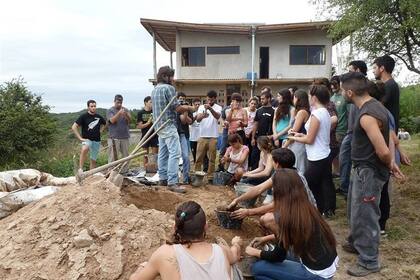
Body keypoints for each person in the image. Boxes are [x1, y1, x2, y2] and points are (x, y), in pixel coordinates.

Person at [339, 71, 400, 277]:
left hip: (369, 172)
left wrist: (390, 163)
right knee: (356, 212)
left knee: (366, 216)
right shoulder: (376, 106)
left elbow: (382, 150)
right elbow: (391, 136)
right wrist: (391, 161)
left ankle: (369, 261)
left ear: (349, 92)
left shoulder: (366, 115)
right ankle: (358, 244)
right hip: (363, 170)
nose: (340, 94)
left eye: (341, 91)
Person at [246, 169, 339, 280]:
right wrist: (265, 238)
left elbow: (278, 256)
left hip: (317, 273)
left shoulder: (285, 216)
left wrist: (254, 252)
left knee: (257, 269)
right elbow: (292, 238)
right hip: (326, 263)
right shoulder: (305, 206)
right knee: (267, 256)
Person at [129, 201, 242, 280]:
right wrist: (236, 244)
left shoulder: (164, 253)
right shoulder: (221, 250)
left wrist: (142, 268)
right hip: (226, 252)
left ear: (175, 228)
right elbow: (235, 256)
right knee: (232, 267)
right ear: (205, 227)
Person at [228, 148, 316, 232]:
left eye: (272, 161)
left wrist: (248, 212)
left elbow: (276, 205)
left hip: (305, 218)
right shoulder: (288, 172)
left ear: (277, 164)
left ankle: (286, 242)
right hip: (299, 212)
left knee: (265, 219)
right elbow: (258, 189)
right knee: (267, 214)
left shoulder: (286, 179)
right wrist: (238, 199)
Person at [288, 85, 335, 218]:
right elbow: (314, 136)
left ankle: (303, 213)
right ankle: (319, 212)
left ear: (314, 98)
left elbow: (310, 139)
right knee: (317, 187)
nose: (308, 98)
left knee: (305, 184)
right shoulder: (325, 112)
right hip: (323, 154)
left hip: (318, 157)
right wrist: (299, 135)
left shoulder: (316, 113)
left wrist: (292, 137)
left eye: (309, 96)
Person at [152, 66, 194, 193]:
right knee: (175, 153)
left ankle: (163, 178)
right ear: (166, 76)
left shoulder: (154, 90)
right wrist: (189, 108)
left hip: (159, 126)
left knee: (163, 153)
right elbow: (177, 108)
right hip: (169, 124)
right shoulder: (168, 88)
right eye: (171, 76)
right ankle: (172, 181)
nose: (173, 79)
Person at [338, 60, 368, 196]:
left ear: (357, 71)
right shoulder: (351, 91)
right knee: (344, 158)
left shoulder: (366, 88)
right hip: (350, 131)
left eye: (350, 70)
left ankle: (355, 189)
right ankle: (345, 187)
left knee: (357, 162)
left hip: (359, 131)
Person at [195, 90, 222, 182]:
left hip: (213, 137)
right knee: (199, 158)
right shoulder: (201, 107)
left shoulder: (218, 107)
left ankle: (210, 177)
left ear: (215, 99)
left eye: (211, 99)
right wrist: (203, 115)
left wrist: (210, 109)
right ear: (206, 98)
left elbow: (218, 116)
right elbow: (197, 119)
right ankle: (197, 176)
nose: (209, 101)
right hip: (202, 136)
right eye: (208, 99)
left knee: (212, 159)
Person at [72, 100, 107, 171]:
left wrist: (101, 130)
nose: (93, 108)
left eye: (94, 106)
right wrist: (80, 138)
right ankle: (80, 169)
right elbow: (74, 127)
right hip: (87, 139)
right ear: (88, 107)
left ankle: (91, 174)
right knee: (85, 149)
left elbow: (105, 123)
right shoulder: (83, 116)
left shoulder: (99, 117)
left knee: (93, 159)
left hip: (97, 140)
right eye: (92, 106)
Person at [283, 89, 310, 174]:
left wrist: (284, 146)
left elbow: (294, 131)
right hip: (298, 143)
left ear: (297, 99)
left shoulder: (302, 112)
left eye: (294, 98)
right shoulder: (302, 111)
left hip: (298, 144)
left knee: (298, 169)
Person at [373, 55, 400, 132]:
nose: (373, 71)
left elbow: (379, 106)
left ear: (382, 68)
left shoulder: (389, 85)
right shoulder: (390, 84)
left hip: (388, 129)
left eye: (375, 68)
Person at [250, 88, 275, 169]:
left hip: (268, 139)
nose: (261, 100)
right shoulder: (259, 110)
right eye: (261, 99)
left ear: (269, 98)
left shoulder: (274, 111)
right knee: (254, 158)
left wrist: (272, 137)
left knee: (267, 158)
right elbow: (255, 124)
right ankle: (253, 177)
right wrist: (253, 138)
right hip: (258, 138)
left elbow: (275, 126)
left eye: (263, 99)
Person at [107, 94, 131, 168]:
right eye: (118, 102)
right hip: (114, 137)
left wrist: (126, 115)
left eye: (121, 102)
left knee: (126, 156)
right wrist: (119, 113)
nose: (119, 104)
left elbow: (130, 120)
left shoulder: (125, 110)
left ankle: (125, 171)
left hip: (125, 136)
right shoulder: (110, 110)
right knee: (113, 156)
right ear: (114, 101)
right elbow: (112, 121)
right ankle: (111, 171)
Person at [137, 96, 159, 170]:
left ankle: (154, 170)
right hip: (145, 135)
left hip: (154, 135)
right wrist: (148, 123)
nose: (152, 103)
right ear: (145, 103)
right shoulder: (140, 113)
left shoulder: (155, 112)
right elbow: (140, 126)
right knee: (145, 155)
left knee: (155, 155)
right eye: (150, 102)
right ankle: (145, 170)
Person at [177, 92, 194, 185]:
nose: (181, 100)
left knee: (186, 157)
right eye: (180, 98)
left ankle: (186, 178)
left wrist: (186, 110)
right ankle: (176, 177)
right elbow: (182, 120)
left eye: (183, 98)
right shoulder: (175, 108)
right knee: (176, 157)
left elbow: (189, 121)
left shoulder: (187, 109)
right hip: (175, 134)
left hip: (184, 134)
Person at [244, 97, 258, 167]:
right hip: (243, 133)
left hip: (252, 134)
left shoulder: (257, 112)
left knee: (251, 151)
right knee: (243, 150)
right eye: (252, 103)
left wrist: (250, 133)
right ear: (249, 103)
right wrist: (245, 133)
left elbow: (256, 124)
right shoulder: (244, 110)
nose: (253, 105)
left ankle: (250, 165)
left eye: (255, 104)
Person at [189, 98, 201, 163]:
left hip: (201, 136)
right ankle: (195, 162)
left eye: (198, 104)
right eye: (196, 104)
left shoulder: (202, 112)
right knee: (194, 150)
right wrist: (195, 117)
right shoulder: (190, 113)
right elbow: (190, 122)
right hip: (193, 136)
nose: (197, 106)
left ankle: (199, 162)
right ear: (193, 104)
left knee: (200, 151)